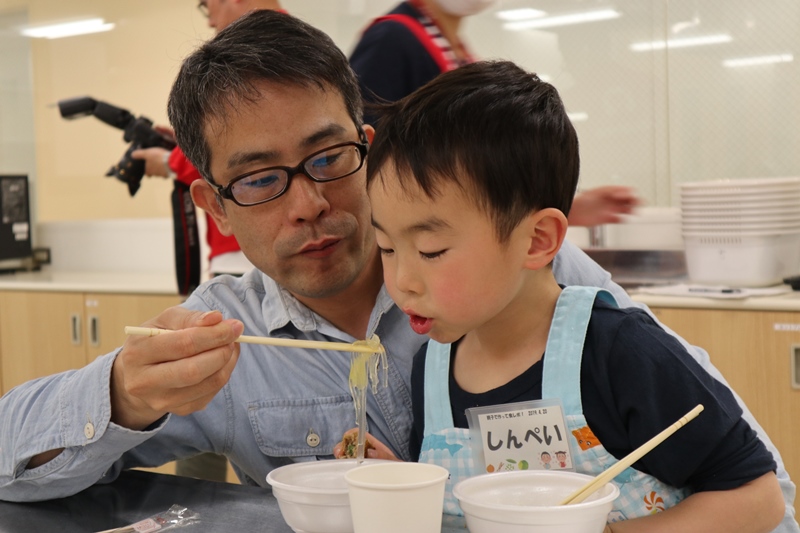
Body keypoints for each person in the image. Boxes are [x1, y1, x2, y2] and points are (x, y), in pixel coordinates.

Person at [0, 13, 796, 532]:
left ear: (368, 143)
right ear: (214, 204)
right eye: (261, 178)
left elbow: (760, 485)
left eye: (328, 157)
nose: (310, 202)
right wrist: (121, 395)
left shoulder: (530, 283)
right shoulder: (222, 335)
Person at [332, 60, 785, 531]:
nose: (401, 279)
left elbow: (758, 498)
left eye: (431, 250)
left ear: (537, 239)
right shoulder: (431, 368)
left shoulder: (621, 352)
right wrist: (397, 479)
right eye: (386, 247)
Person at [349, 0, 638, 228]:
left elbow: (482, 174)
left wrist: (563, 208)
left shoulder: (456, 50)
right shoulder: (392, 39)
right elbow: (364, 159)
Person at [131, 0, 285, 278]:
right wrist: (188, 143)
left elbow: (247, 153)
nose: (210, 22)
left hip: (249, 257)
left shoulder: (258, 47)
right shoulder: (291, 44)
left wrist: (170, 162)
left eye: (206, 5)